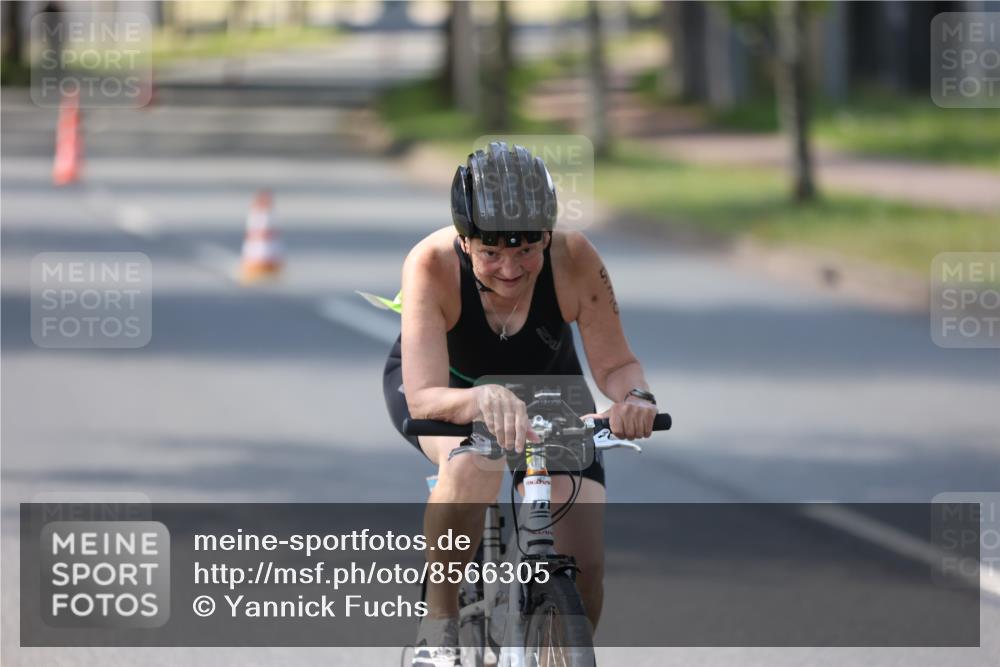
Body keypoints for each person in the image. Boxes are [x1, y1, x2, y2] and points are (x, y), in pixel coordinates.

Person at [383, 141, 658, 667]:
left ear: (547, 235)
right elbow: (424, 394)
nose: (509, 268)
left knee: (586, 562)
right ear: (465, 242)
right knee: (472, 467)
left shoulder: (575, 259)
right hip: (450, 386)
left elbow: (618, 366)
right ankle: (437, 629)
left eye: (525, 249)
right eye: (490, 252)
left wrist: (634, 398)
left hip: (550, 388)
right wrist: (480, 397)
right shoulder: (431, 263)